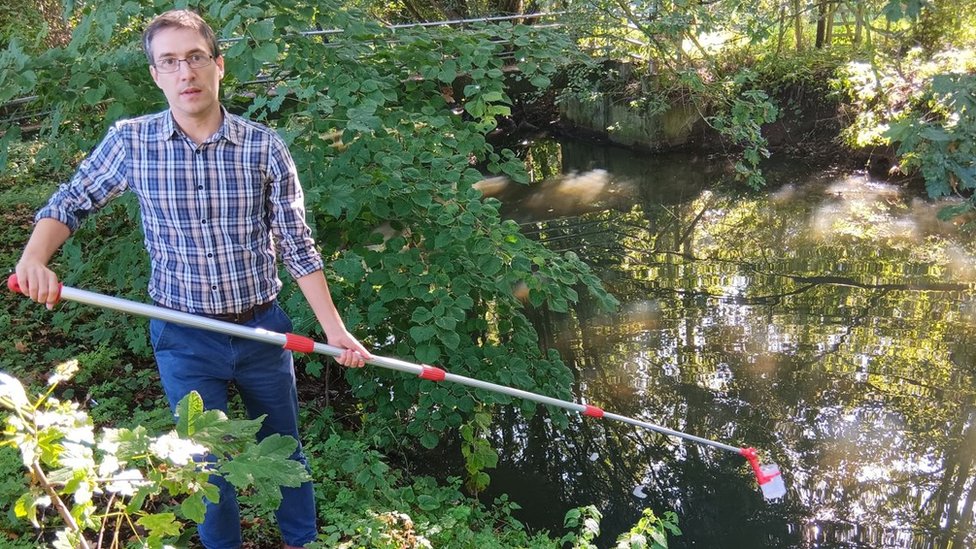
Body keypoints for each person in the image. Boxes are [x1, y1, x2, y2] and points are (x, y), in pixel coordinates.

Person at [13, 9, 371, 549]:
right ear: (156, 74)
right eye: (170, 62)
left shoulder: (263, 146)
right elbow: (72, 199)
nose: (186, 72)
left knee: (285, 449)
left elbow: (297, 244)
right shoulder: (132, 142)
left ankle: (305, 543)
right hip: (182, 335)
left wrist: (334, 330)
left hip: (262, 331)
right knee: (207, 466)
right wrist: (34, 257)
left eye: (196, 58)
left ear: (219, 66)